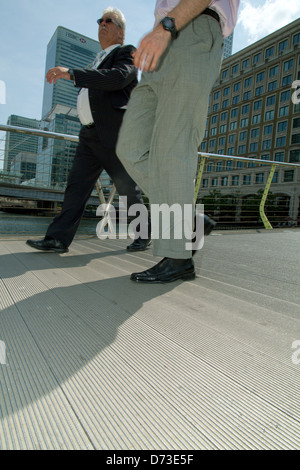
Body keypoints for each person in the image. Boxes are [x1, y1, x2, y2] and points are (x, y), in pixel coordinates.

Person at [116, 0, 240, 283]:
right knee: (130, 147)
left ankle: (178, 257)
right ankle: (189, 222)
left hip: (192, 26)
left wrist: (168, 26)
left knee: (173, 147)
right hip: (162, 46)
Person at [27, 7, 150, 254]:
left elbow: (117, 78)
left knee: (127, 188)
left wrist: (72, 73)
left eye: (109, 21)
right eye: (100, 21)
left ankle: (144, 233)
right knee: (76, 186)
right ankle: (57, 239)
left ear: (121, 31)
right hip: (89, 136)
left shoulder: (126, 53)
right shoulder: (98, 58)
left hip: (114, 133)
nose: (102, 24)